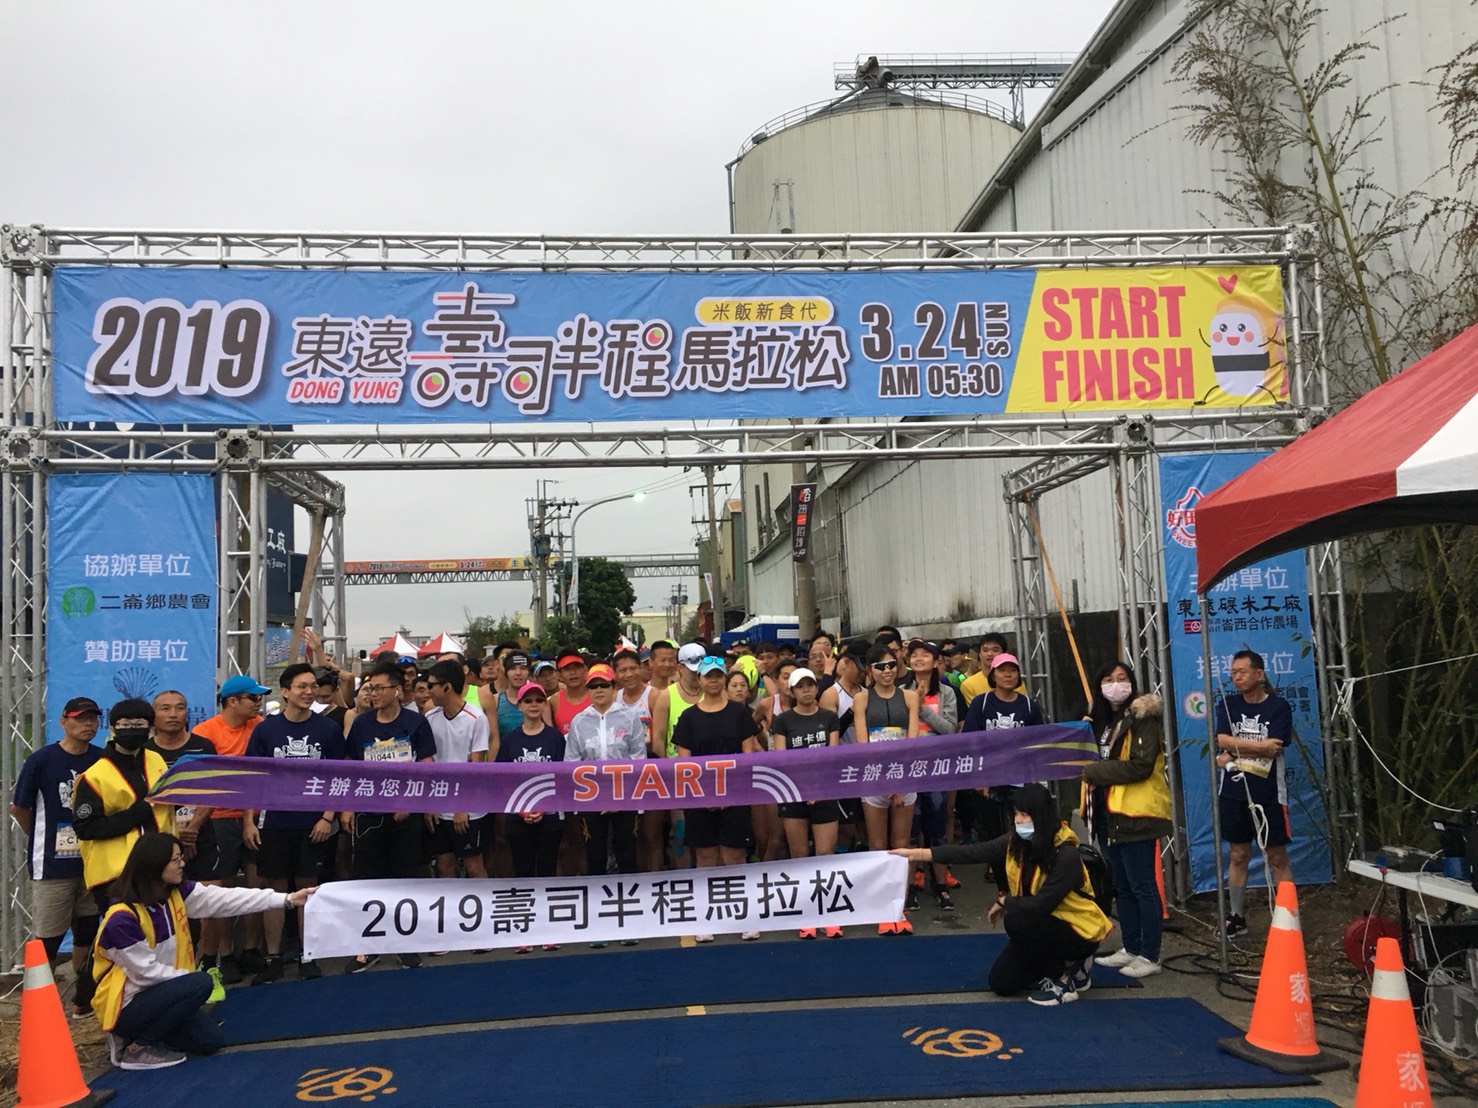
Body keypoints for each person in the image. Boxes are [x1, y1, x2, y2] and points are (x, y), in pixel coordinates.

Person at [91, 832, 315, 1071]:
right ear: (155, 865)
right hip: (127, 1004)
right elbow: (145, 974)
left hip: (162, 992)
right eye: (176, 859)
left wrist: (288, 899)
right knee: (201, 983)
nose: (182, 864)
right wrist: (187, 985)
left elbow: (227, 900)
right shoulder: (122, 918)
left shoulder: (174, 893)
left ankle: (153, 1032)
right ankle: (135, 1047)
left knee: (210, 1041)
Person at [896, 783, 1111, 1006]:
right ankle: (1070, 966)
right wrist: (919, 854)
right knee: (1001, 983)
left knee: (1017, 920)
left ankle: (1064, 981)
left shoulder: (1066, 855)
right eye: (1016, 813)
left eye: (1024, 815)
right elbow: (974, 852)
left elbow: (1041, 904)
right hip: (1041, 924)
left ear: (1041, 816)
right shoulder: (1017, 842)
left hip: (1078, 930)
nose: (1018, 820)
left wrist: (1005, 901)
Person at [241, 663, 349, 983]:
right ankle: (273, 956)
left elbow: (338, 776)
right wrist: (249, 821)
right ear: (285, 691)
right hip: (273, 821)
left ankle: (307, 954)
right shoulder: (266, 730)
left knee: (307, 888)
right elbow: (252, 778)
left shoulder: (327, 729)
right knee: (274, 891)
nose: (309, 692)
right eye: (302, 686)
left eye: (312, 686)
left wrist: (328, 816)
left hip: (312, 822)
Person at [343, 664, 436, 972]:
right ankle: (367, 945)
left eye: (379, 688)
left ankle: (405, 942)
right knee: (367, 878)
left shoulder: (415, 723)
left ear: (397, 691)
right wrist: (347, 807)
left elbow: (427, 766)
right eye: (370, 688)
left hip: (404, 815)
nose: (373, 694)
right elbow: (350, 767)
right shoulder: (361, 724)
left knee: (404, 877)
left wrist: (411, 802)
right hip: (369, 812)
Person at [1080, 664, 1170, 979]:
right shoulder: (1100, 721)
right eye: (1108, 680)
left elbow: (1140, 766)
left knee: (1143, 885)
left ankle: (1150, 954)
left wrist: (1095, 772)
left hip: (1136, 813)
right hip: (1107, 812)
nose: (1115, 685)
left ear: (1132, 682)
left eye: (1122, 679)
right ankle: (1131, 947)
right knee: (1121, 885)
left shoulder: (1143, 717)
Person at [10, 696, 104, 994]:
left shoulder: (102, 759)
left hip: (93, 863)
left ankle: (83, 994)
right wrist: (40, 837)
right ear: (63, 722)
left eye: (93, 718)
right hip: (52, 866)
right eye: (80, 718)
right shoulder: (41, 760)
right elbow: (19, 808)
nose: (88, 724)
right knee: (48, 938)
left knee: (88, 931)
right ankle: (40, 1000)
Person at [672, 655, 764, 942]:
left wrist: (729, 793)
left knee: (735, 855)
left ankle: (744, 914)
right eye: (707, 676)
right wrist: (705, 795)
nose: (713, 680)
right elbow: (684, 764)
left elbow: (747, 756)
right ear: (699, 680)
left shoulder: (739, 713)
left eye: (717, 675)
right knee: (706, 857)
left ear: (724, 679)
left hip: (735, 795)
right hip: (700, 799)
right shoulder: (689, 717)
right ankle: (705, 916)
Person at [189, 674, 267, 984]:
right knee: (221, 888)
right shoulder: (205, 732)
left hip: (255, 815)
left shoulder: (259, 726)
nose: (258, 703)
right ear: (232, 701)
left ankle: (250, 949)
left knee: (256, 885)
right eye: (253, 697)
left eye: (260, 698)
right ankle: (224, 953)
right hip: (218, 817)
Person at [1215, 649, 1294, 939]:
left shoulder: (1279, 706)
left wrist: (1234, 750)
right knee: (1238, 854)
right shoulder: (1227, 705)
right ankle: (1236, 917)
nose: (1236, 677)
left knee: (1277, 857)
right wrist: (1259, 747)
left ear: (1259, 674)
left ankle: (1288, 918)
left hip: (1269, 793)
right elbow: (1222, 740)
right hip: (1233, 791)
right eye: (1233, 672)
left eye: (1242, 672)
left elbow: (1276, 747)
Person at [73, 698, 177, 905]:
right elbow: (86, 828)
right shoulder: (94, 776)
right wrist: (139, 812)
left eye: (139, 725)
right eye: (125, 725)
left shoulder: (157, 760)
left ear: (151, 729)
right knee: (126, 925)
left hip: (159, 868)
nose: (132, 730)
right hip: (116, 875)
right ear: (112, 728)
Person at [770, 668, 845, 939]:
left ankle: (829, 912)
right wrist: (802, 787)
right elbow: (782, 759)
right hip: (793, 793)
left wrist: (817, 786)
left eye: (810, 685)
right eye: (800, 686)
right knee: (799, 855)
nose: (806, 690)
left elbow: (832, 756)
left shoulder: (829, 717)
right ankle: (806, 913)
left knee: (825, 855)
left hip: (824, 790)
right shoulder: (782, 720)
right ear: (791, 691)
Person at [853, 643, 920, 934]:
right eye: (880, 666)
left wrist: (898, 781)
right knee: (878, 845)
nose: (887, 671)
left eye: (891, 665)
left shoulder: (910, 696)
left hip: (905, 777)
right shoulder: (861, 699)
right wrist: (885, 781)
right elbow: (862, 744)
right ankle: (881, 906)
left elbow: (912, 743)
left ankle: (899, 907)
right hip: (873, 778)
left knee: (902, 845)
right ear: (870, 670)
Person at [564, 664, 645, 904]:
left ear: (613, 687)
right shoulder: (579, 721)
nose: (599, 690)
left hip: (625, 798)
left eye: (604, 685)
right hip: (590, 800)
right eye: (593, 686)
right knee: (594, 853)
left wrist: (618, 797)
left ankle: (631, 902)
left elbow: (638, 760)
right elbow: (572, 763)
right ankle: (597, 906)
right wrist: (596, 797)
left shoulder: (630, 717)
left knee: (627, 851)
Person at [901, 640, 959, 910]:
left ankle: (941, 884)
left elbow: (949, 730)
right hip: (908, 769)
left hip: (937, 768)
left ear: (936, 662)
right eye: (914, 654)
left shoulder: (947, 693)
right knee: (911, 829)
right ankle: (911, 884)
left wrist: (921, 707)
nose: (919, 658)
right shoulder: (900, 691)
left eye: (925, 655)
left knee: (937, 827)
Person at [423, 658, 492, 882]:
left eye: (431, 685)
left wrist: (463, 806)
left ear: (447, 687)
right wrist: (430, 804)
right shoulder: (430, 717)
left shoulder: (476, 718)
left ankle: (484, 903)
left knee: (474, 865)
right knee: (444, 864)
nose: (428, 690)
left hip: (469, 806)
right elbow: (428, 763)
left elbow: (477, 766)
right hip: (440, 802)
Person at [499, 681, 567, 881]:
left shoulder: (556, 738)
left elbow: (562, 777)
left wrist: (543, 806)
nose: (534, 704)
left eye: (539, 700)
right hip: (518, 815)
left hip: (551, 815)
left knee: (548, 869)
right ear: (519, 705)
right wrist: (522, 809)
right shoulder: (510, 740)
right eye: (528, 701)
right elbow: (503, 779)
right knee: (523, 871)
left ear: (545, 704)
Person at [959, 634, 1010, 705]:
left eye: (995, 650)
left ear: (1004, 653)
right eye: (985, 650)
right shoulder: (969, 685)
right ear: (980, 654)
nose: (990, 654)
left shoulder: (1012, 681)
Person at [551, 652, 591, 736]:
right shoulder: (553, 702)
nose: (573, 672)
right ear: (559, 675)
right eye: (567, 669)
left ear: (585, 670)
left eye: (577, 667)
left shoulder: (598, 695)